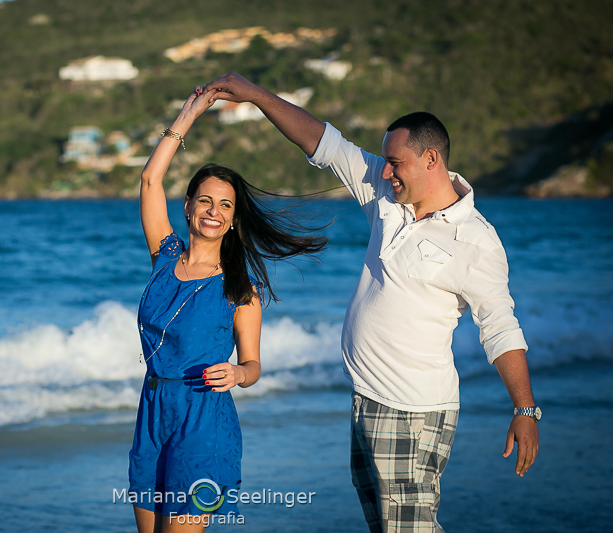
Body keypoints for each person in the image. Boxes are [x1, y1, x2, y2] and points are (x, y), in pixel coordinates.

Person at [202, 73, 540, 532]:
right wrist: (257, 96)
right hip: (367, 400)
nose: (385, 171)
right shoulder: (387, 195)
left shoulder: (475, 240)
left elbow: (499, 326)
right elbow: (322, 142)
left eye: (395, 162)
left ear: (431, 159)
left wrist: (524, 409)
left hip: (413, 412)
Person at [129, 86, 328, 533]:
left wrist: (239, 373)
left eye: (225, 205)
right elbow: (150, 181)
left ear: (234, 219)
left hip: (204, 424)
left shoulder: (241, 289)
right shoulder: (164, 257)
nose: (213, 211)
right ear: (188, 206)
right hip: (153, 413)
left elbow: (253, 365)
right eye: (205, 200)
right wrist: (188, 114)